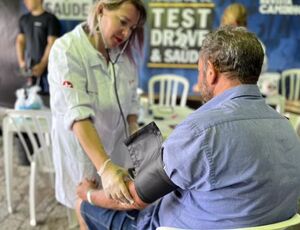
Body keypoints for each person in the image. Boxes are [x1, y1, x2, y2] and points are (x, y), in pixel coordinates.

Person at [75, 26, 300, 229]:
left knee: (83, 207)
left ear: (211, 71)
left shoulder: (199, 131)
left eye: (200, 71)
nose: (198, 81)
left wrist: (89, 194)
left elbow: (135, 198)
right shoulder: (287, 127)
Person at [48, 0, 147, 209]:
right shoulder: (67, 50)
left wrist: (138, 140)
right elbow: (78, 116)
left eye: (132, 28)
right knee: (86, 213)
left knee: (111, 214)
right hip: (84, 155)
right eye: (123, 22)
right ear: (101, 10)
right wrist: (105, 168)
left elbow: (131, 107)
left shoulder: (123, 56)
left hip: (117, 154)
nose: (127, 33)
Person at [16, 0, 60, 107]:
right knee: (30, 103)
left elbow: (52, 43)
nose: (25, 1)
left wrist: (42, 65)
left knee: (48, 104)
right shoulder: (24, 19)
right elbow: (20, 41)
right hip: (31, 71)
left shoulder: (50, 19)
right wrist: (22, 62)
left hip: (48, 72)